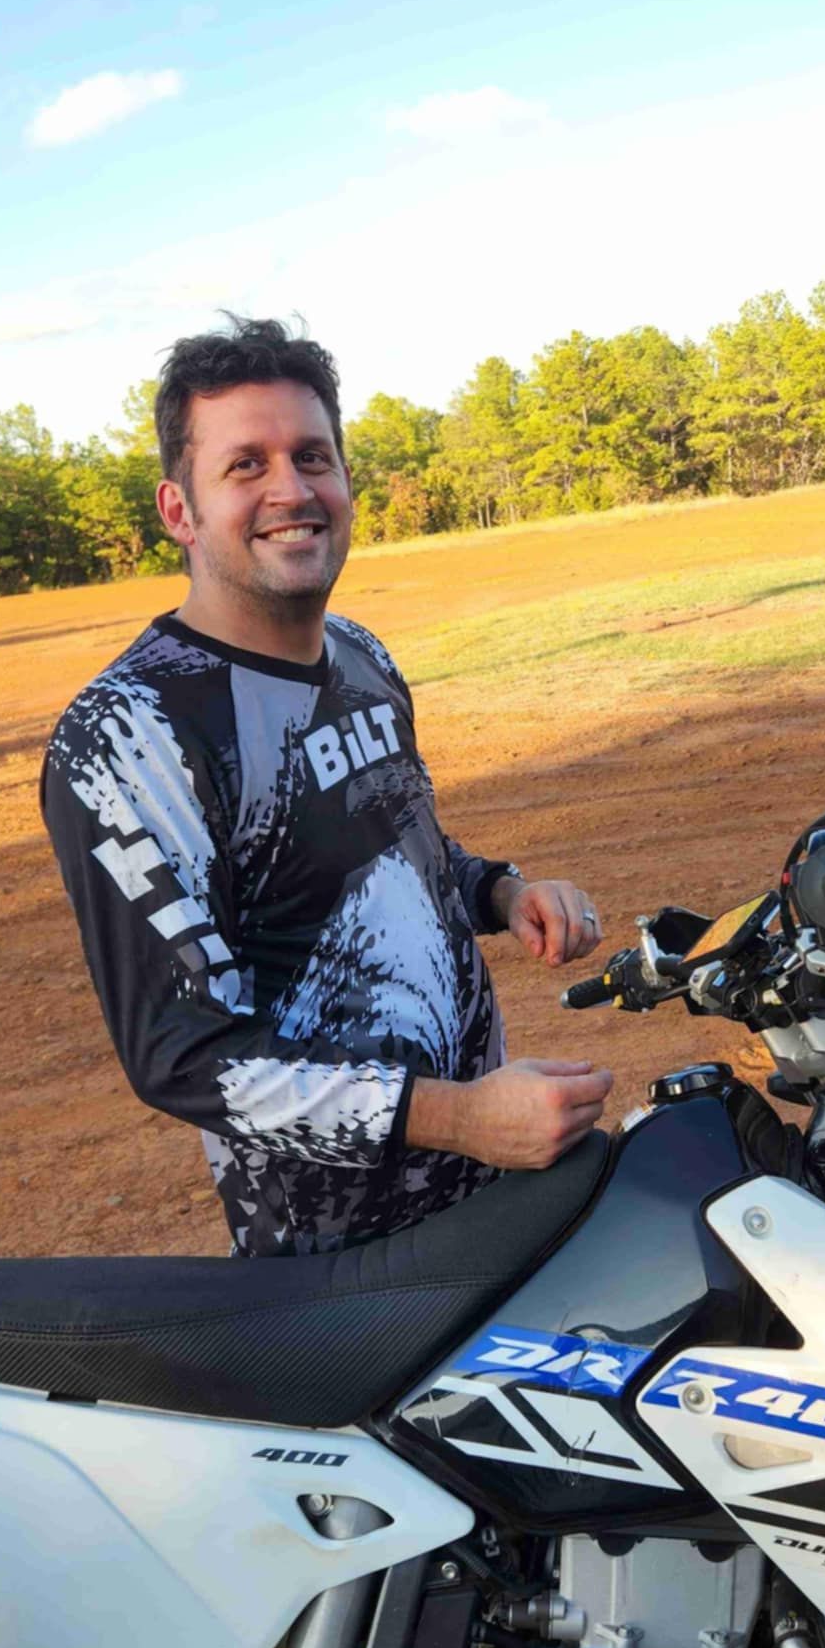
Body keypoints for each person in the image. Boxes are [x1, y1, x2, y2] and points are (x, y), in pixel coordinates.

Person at [41, 315, 613, 1256]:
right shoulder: (132, 731)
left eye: (313, 457)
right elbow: (184, 1055)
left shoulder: (359, 655)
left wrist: (503, 893)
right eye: (246, 465)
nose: (291, 490)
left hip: (493, 1193)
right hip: (339, 1262)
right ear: (179, 510)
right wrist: (462, 1118)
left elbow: (397, 845)